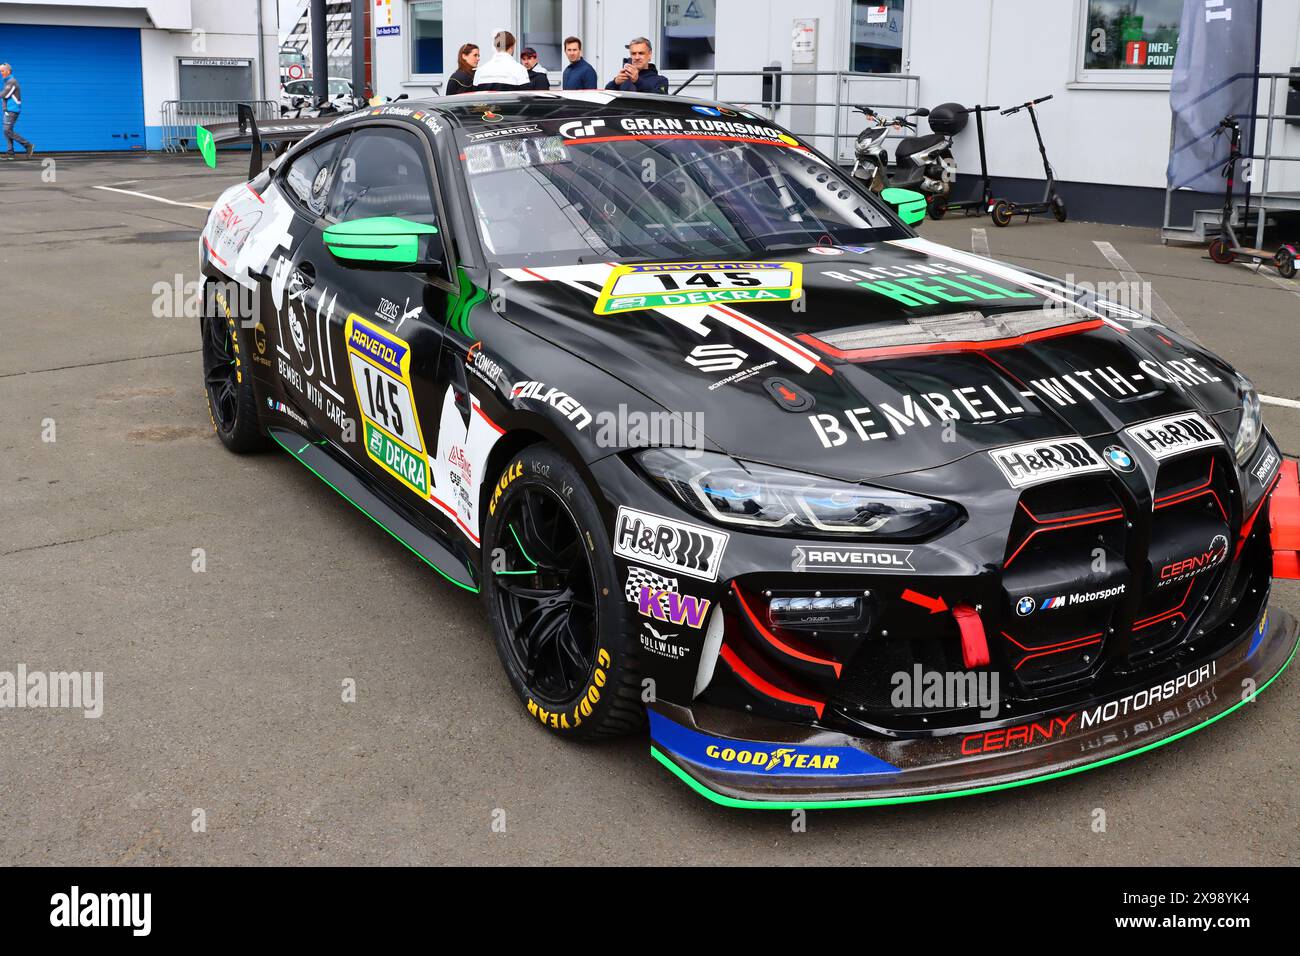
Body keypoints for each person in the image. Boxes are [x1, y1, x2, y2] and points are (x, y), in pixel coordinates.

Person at [1, 63, 34, 159]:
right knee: (7, 131)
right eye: (0, 71)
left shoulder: (12, 82)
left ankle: (27, 145)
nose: (1, 73)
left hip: (12, 110)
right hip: (8, 110)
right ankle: (10, 153)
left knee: (7, 130)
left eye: (2, 71)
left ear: (8, 71)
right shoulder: (8, 82)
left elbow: (4, 95)